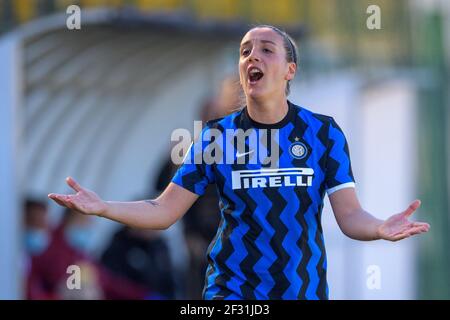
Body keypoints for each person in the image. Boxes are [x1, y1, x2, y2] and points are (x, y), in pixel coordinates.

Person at [48, 25, 430, 300]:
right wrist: (103, 207)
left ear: (289, 70)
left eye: (266, 49)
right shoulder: (216, 136)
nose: (253, 56)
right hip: (231, 292)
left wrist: (380, 227)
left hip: (302, 290)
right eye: (246, 50)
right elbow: (163, 210)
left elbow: (350, 217)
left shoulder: (322, 133)